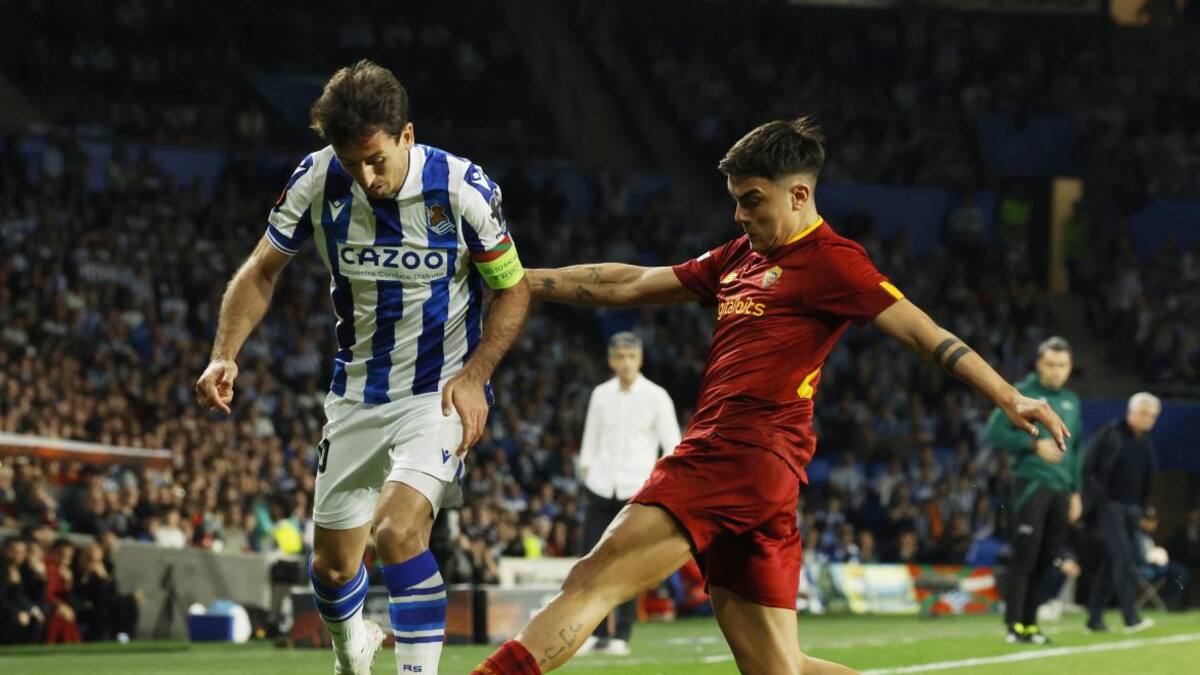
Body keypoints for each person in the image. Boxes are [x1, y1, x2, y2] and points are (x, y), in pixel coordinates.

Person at [472, 116, 1069, 675]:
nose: (738, 215)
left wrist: (1008, 395)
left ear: (799, 196)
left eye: (751, 200)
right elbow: (633, 283)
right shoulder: (739, 257)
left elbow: (924, 333)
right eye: (735, 200)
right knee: (776, 668)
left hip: (735, 451)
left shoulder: (835, 263)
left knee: (591, 581)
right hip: (766, 476)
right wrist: (519, 280)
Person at [194, 59, 531, 675]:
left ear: (407, 135)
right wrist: (225, 354)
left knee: (399, 533)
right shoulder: (317, 179)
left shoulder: (461, 188)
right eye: (351, 162)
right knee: (330, 568)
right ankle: (354, 647)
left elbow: (513, 288)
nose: (366, 176)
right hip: (354, 394)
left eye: (375, 158)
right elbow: (261, 271)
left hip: (438, 393)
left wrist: (477, 375)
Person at [576, 331, 681, 656]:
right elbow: (590, 438)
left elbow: (672, 444)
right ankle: (591, 634)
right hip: (601, 485)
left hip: (636, 488)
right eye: (619, 357)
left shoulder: (656, 396)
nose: (625, 363)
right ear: (610, 360)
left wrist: (657, 484)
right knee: (590, 561)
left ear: (640, 359)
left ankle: (621, 635)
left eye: (630, 357)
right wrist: (587, 469)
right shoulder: (601, 394)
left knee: (626, 565)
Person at [985, 336, 1084, 645]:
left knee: (1047, 558)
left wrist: (1076, 491)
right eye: (1051, 364)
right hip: (1032, 484)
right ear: (1039, 364)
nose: (1056, 371)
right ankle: (1014, 626)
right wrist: (1032, 444)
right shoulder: (1022, 393)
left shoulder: (1072, 401)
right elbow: (994, 432)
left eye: (1062, 365)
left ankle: (1031, 625)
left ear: (1069, 368)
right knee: (1025, 555)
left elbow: (1075, 449)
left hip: (1061, 489)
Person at [1081, 392, 1160, 634]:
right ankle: (1130, 618)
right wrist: (1098, 500)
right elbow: (1088, 467)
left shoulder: (1145, 442)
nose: (1148, 419)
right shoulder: (1110, 433)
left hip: (1132, 509)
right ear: (1130, 412)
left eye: (1152, 415)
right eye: (1143, 413)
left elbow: (1147, 479)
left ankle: (1094, 620)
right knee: (1127, 559)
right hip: (1110, 506)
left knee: (1113, 562)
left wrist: (1146, 510)